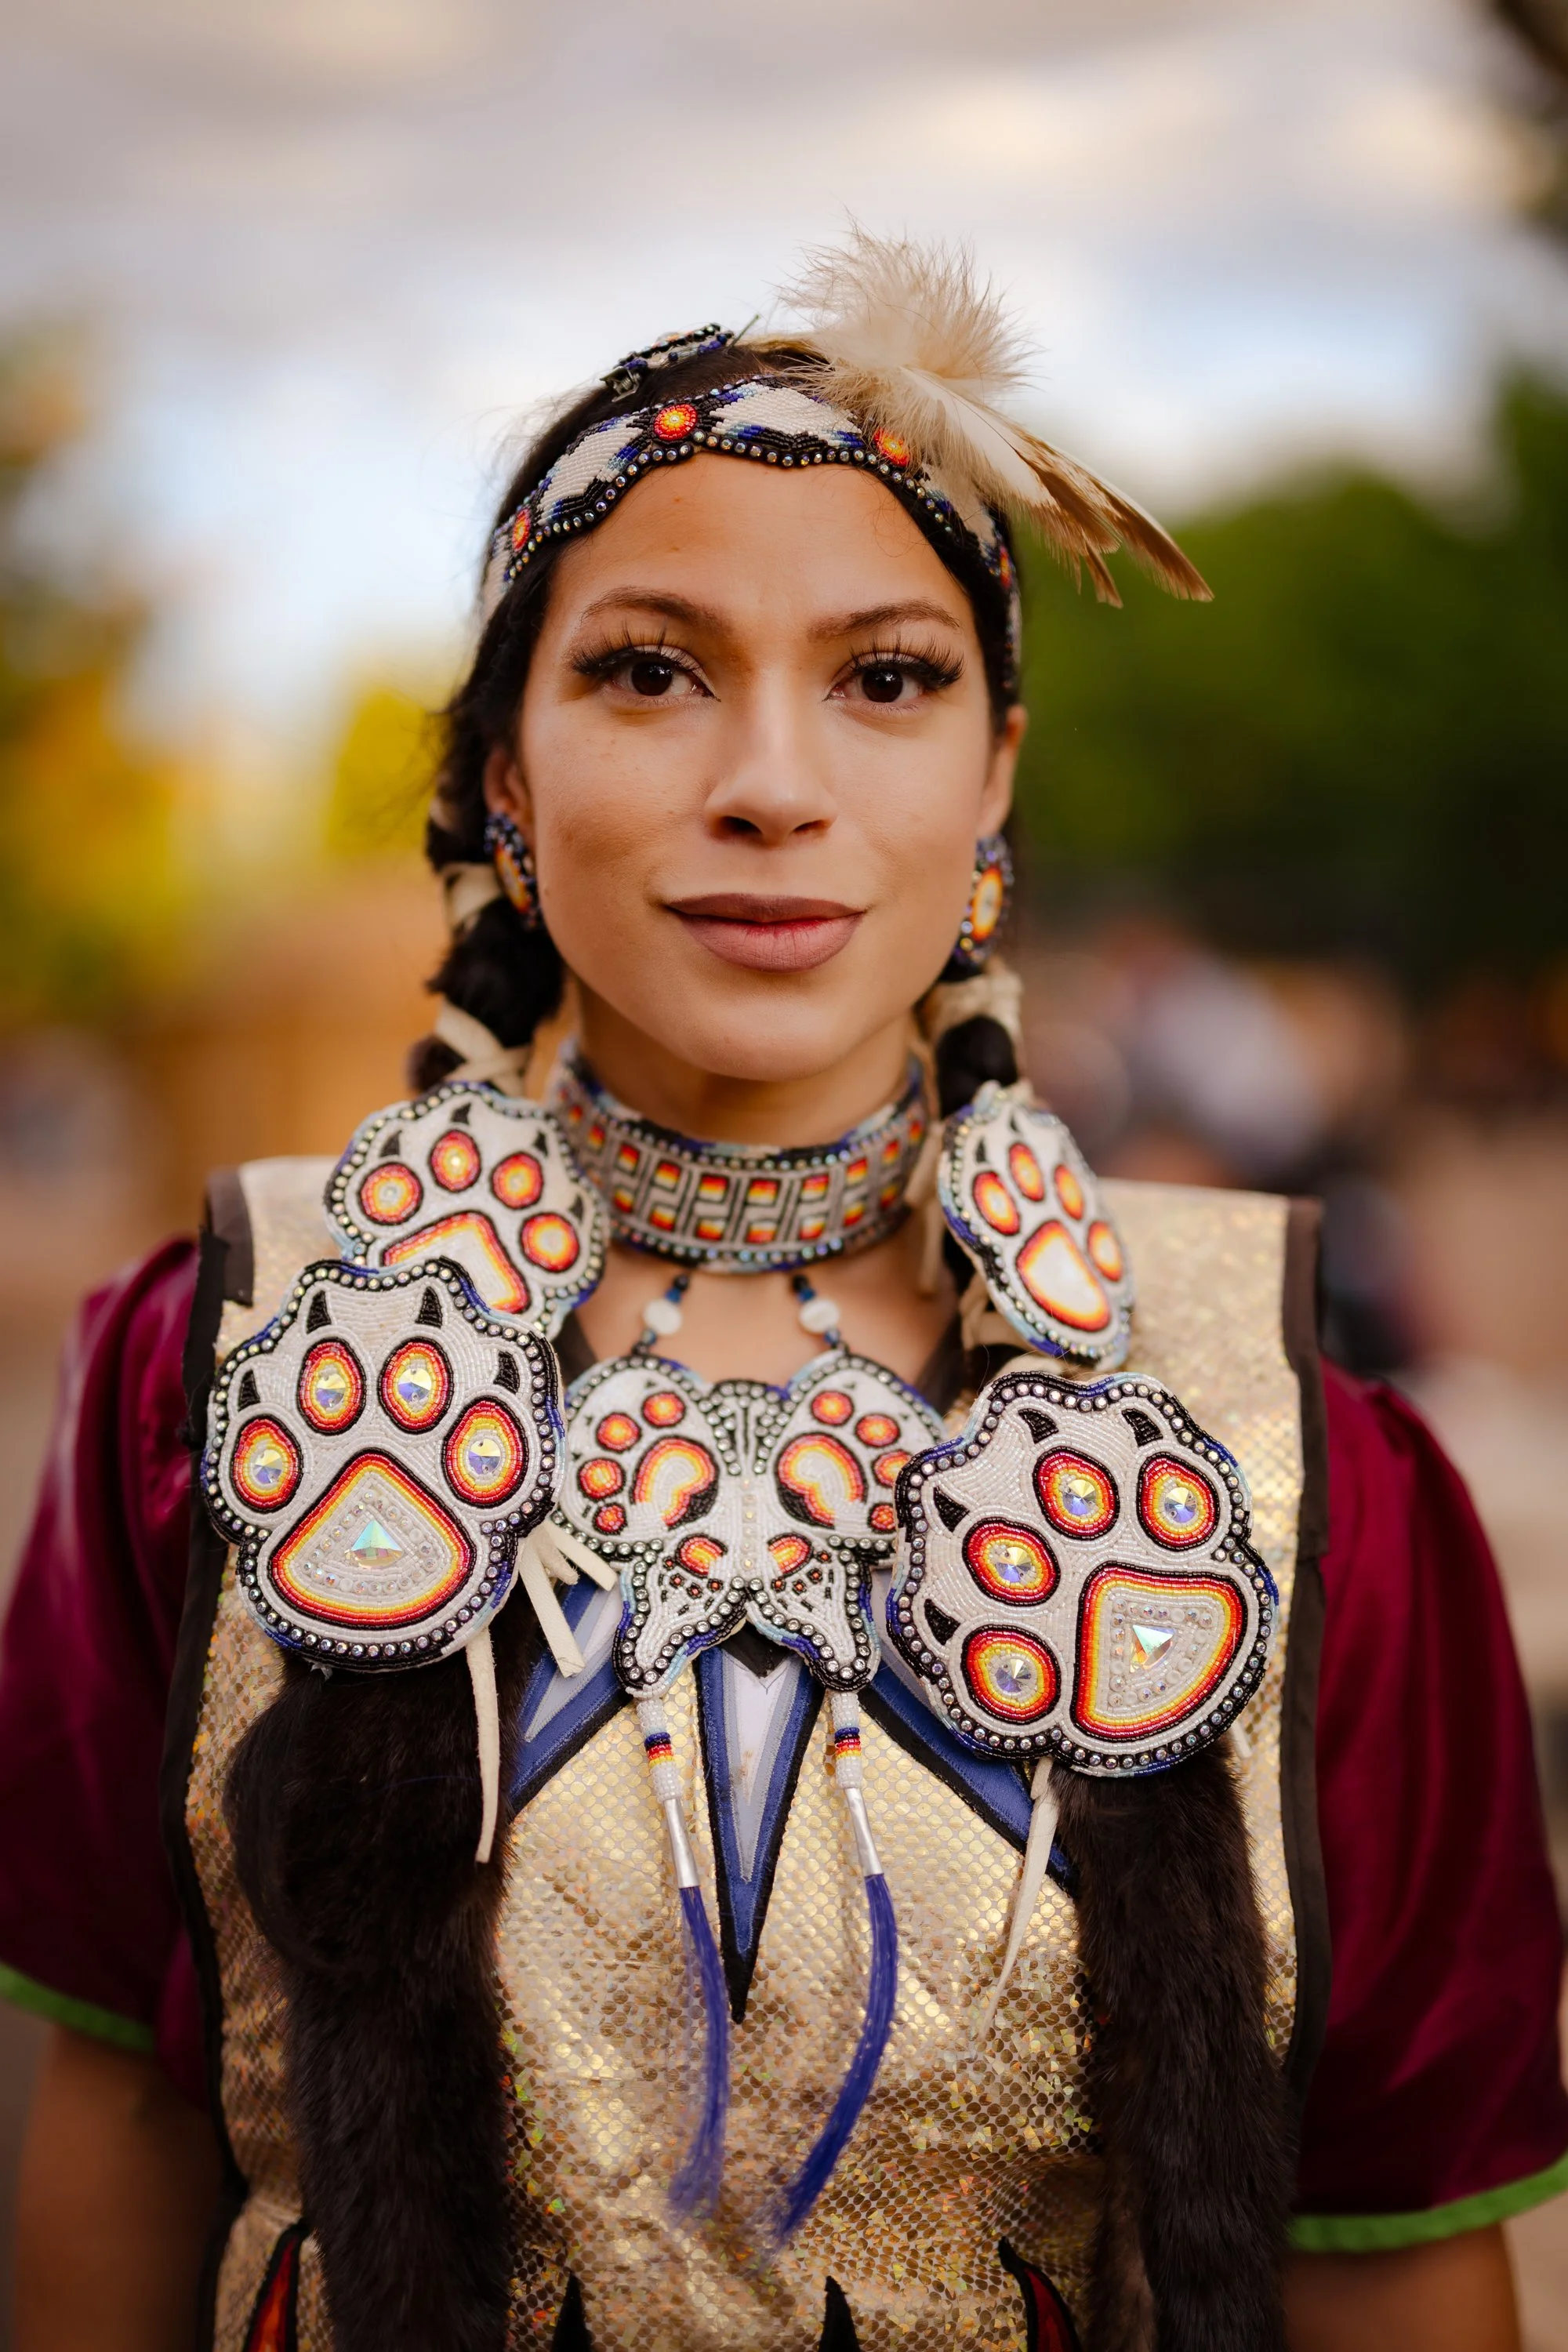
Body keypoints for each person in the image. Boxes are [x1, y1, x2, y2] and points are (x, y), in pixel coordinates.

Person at [1, 234, 1563, 2352]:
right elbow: (114, 2144)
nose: (773, 779)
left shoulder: (1289, 1455)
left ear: (995, 779)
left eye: (888, 677)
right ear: (496, 779)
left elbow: (1391, 2259)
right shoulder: (212, 1370)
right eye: (648, 668)